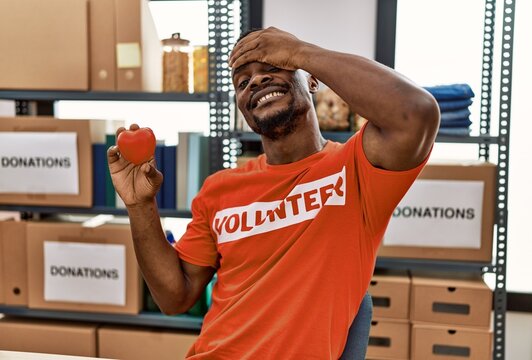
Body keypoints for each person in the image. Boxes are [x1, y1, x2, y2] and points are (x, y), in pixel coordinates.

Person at [108, 27, 440, 359]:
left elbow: (416, 113)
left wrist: (299, 52)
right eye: (242, 82)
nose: (255, 81)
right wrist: (140, 205)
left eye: (271, 67)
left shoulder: (356, 168)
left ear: (311, 81)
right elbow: (174, 298)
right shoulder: (219, 188)